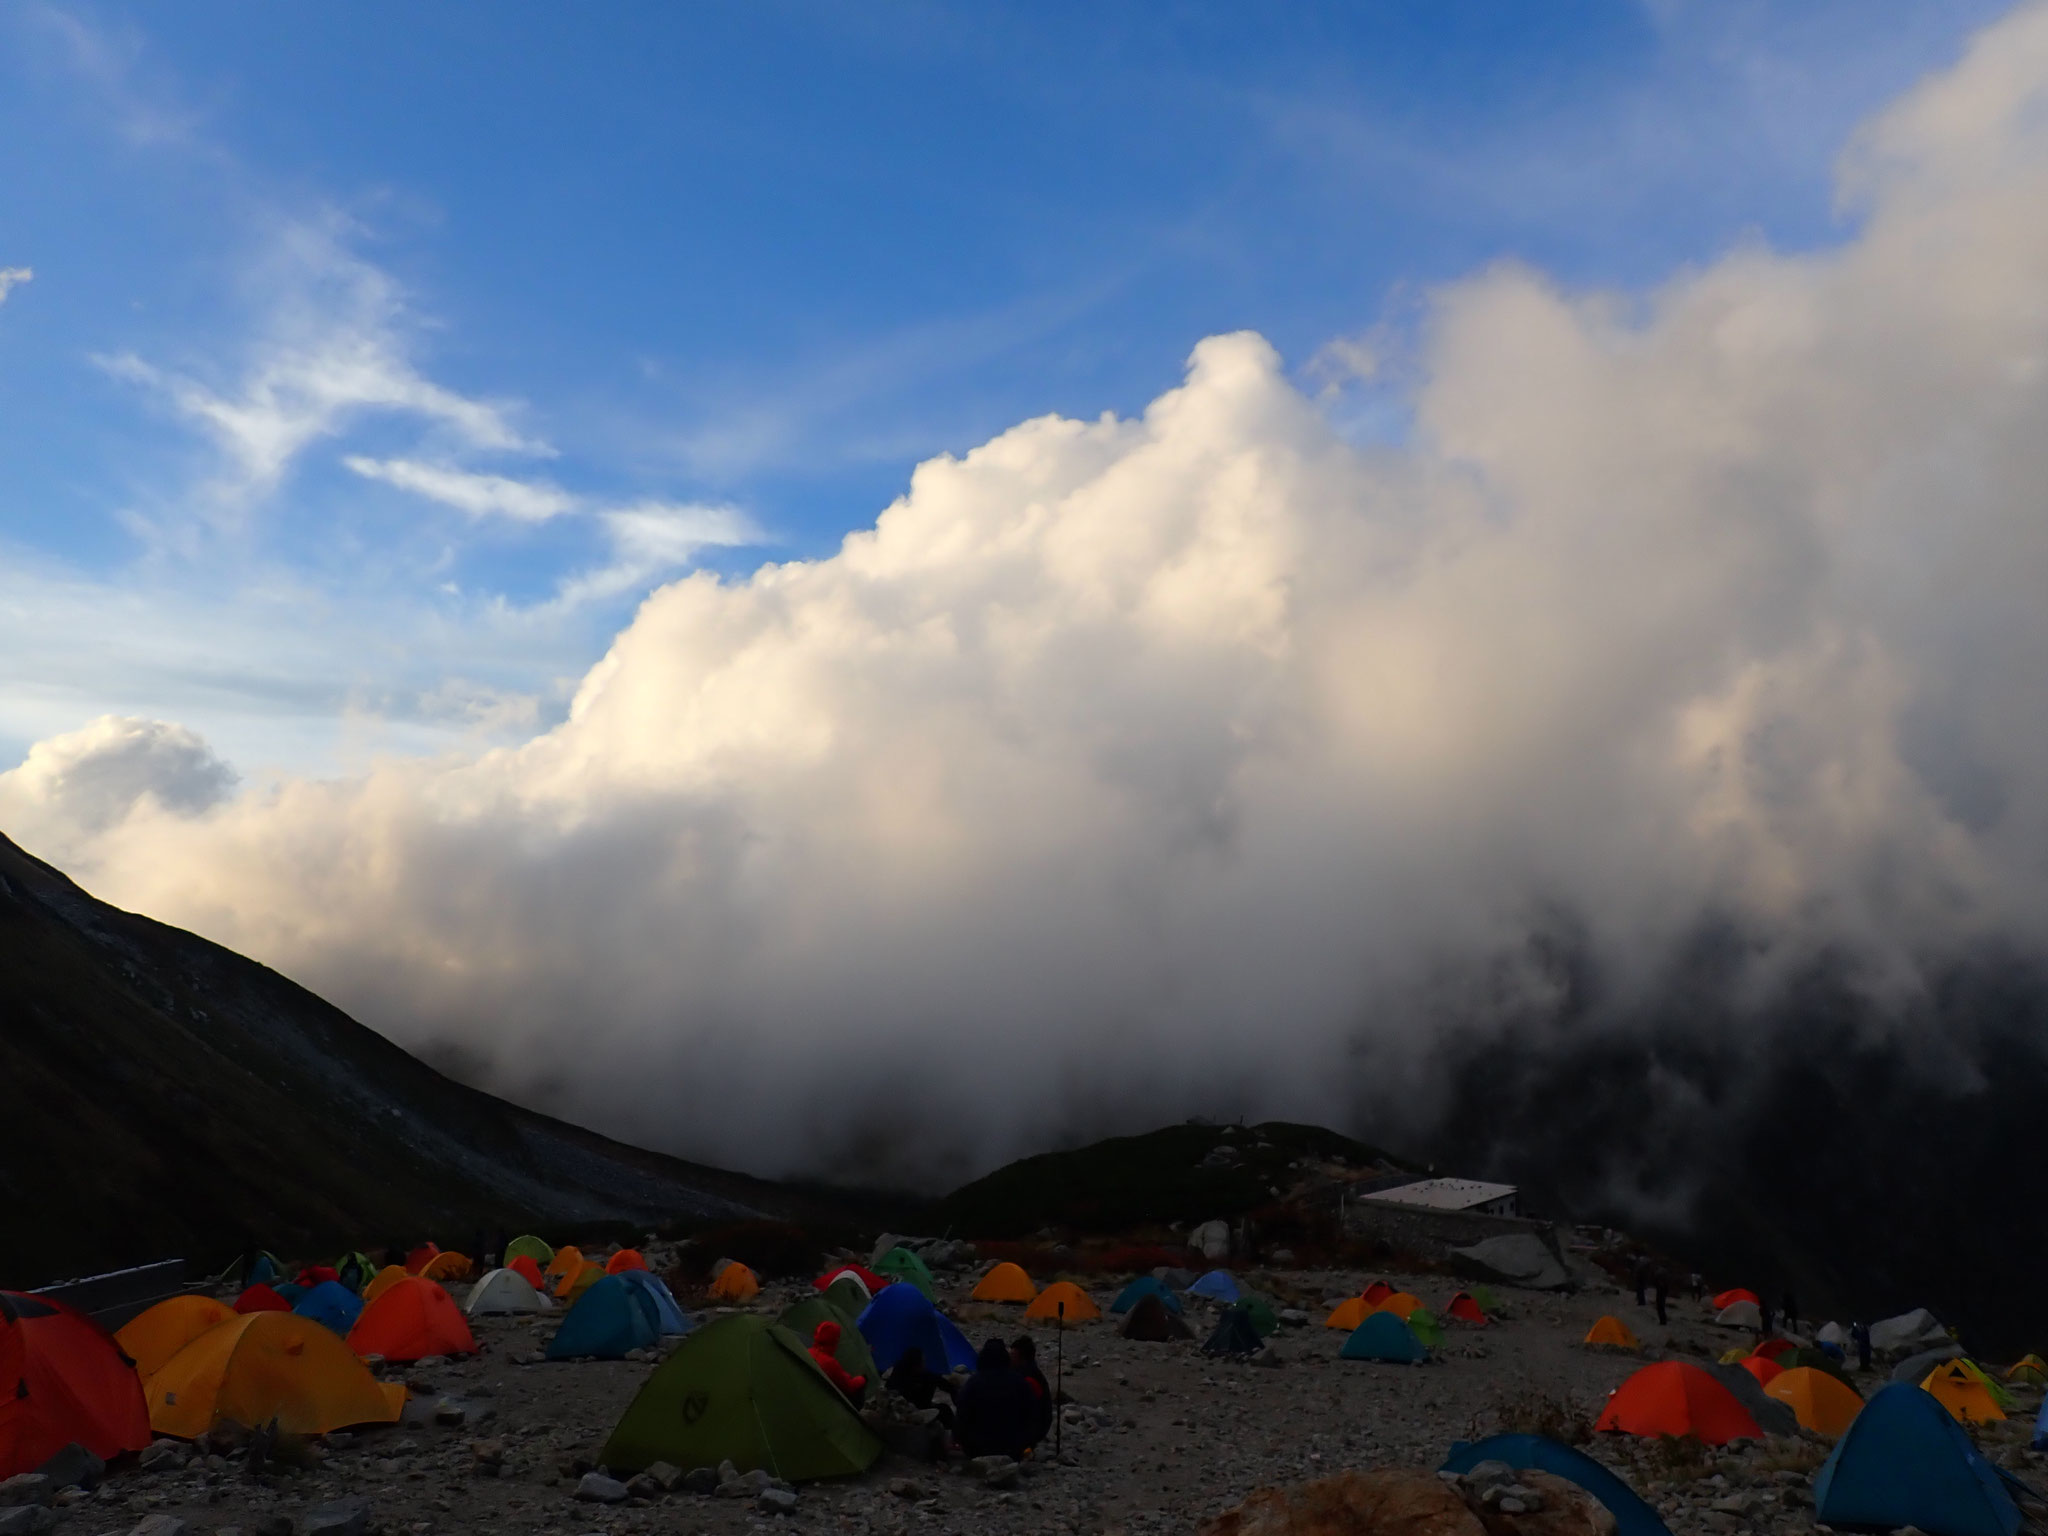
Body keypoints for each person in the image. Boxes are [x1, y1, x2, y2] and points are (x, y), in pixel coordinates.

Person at [956, 1338, 1035, 1461]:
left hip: (977, 1448)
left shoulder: (974, 1382)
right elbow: (1030, 1415)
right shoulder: (1019, 1382)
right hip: (1012, 1448)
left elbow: (962, 1414)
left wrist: (957, 1438)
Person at [886, 1346, 957, 1432]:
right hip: (915, 1409)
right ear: (916, 1364)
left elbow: (946, 1385)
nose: (924, 1364)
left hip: (907, 1407)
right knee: (945, 1410)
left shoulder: (900, 1370)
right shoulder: (922, 1376)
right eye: (922, 1362)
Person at [808, 1320, 867, 1407]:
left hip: (815, 1391)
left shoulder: (809, 1352)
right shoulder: (829, 1363)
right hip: (829, 1397)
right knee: (860, 1385)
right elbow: (849, 1386)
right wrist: (863, 1378)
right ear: (833, 1340)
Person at [1011, 1336, 1054, 1450]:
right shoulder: (1027, 1373)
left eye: (1013, 1355)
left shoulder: (1028, 1379)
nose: (1010, 1359)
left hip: (1033, 1430)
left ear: (1022, 1358)